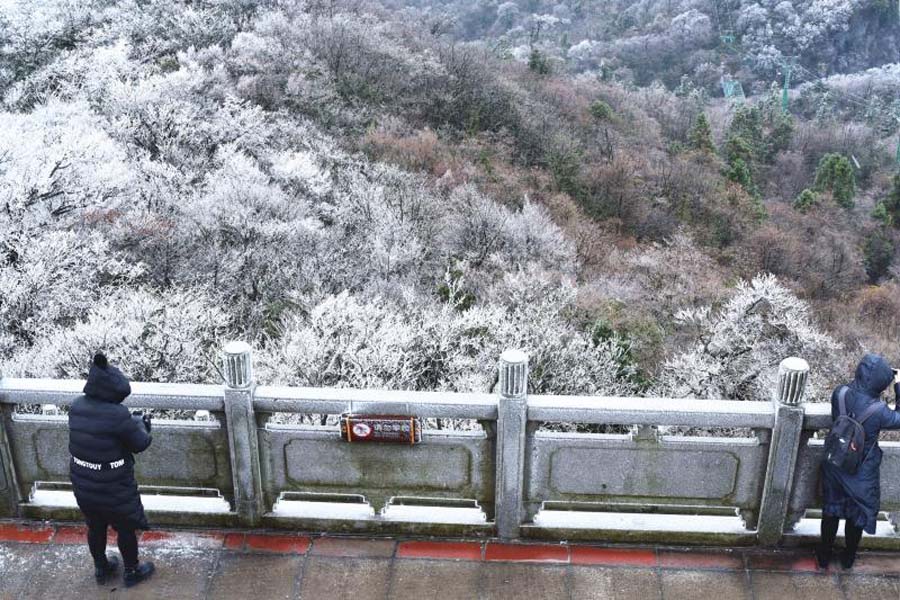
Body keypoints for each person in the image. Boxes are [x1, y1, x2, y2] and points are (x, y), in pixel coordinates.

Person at [68, 352, 155, 587]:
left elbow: (99, 436)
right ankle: (132, 571)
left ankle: (101, 567)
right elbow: (140, 444)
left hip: (83, 482)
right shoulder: (117, 415)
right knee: (125, 526)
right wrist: (144, 427)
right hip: (113, 484)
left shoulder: (76, 406)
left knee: (95, 526)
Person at [817, 353, 900, 569]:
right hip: (861, 470)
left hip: (834, 461)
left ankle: (823, 556)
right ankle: (847, 559)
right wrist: (898, 387)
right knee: (857, 515)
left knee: (831, 509)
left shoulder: (840, 393)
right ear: (882, 382)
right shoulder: (880, 411)